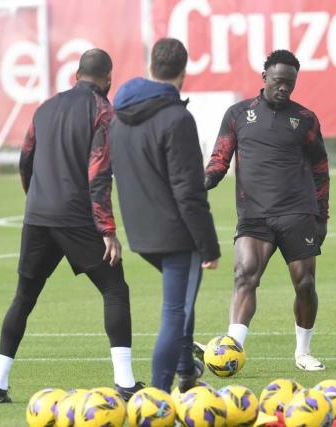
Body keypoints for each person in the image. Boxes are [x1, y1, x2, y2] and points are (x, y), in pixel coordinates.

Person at [0, 49, 143, 403]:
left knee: (24, 297)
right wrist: (108, 230)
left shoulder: (44, 107)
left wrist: (36, 198)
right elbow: (99, 172)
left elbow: (26, 159)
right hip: (76, 217)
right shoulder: (104, 111)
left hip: (38, 216)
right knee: (115, 289)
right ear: (108, 78)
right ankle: (125, 382)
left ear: (76, 74)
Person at [203, 49, 330, 371]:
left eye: (290, 83)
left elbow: (320, 168)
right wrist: (200, 183)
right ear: (264, 79)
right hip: (254, 215)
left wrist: (322, 215)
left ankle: (303, 351)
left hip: (297, 214)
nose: (284, 88)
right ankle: (233, 349)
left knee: (305, 284)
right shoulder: (237, 114)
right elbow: (219, 159)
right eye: (278, 81)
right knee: (244, 274)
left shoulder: (305, 119)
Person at [109, 38, 221, 393]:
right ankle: (157, 397)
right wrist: (209, 245)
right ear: (183, 73)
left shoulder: (119, 116)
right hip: (175, 233)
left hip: (140, 233)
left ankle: (187, 372)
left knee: (182, 305)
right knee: (175, 312)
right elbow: (189, 190)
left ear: (150, 67)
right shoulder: (177, 118)